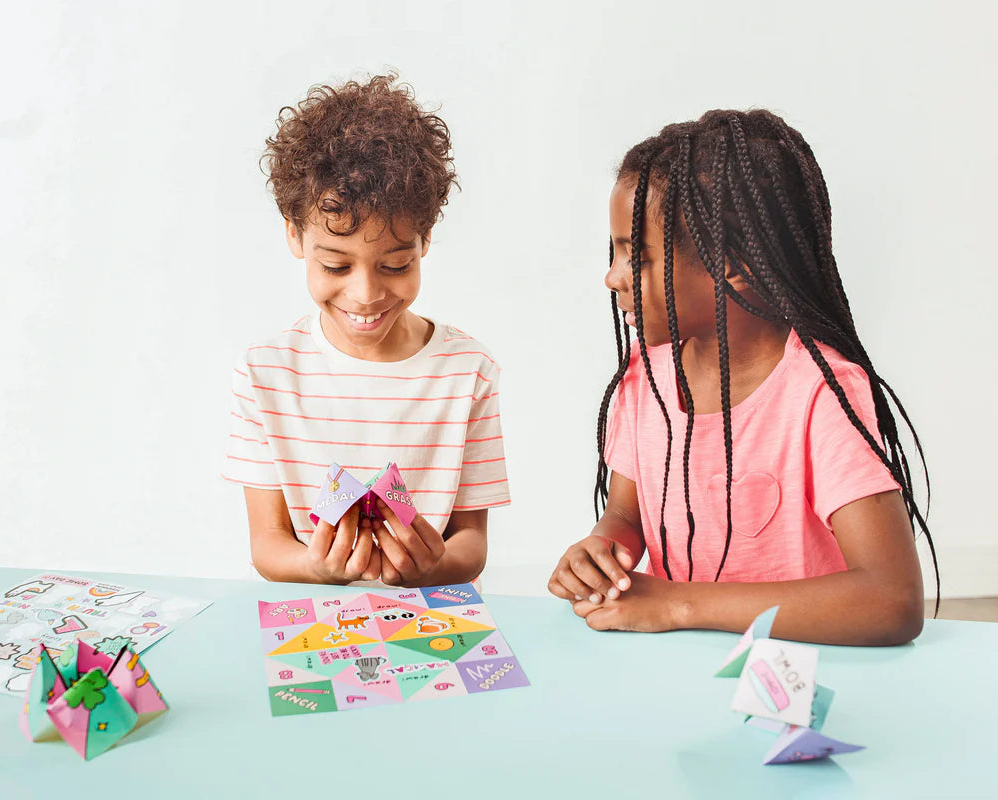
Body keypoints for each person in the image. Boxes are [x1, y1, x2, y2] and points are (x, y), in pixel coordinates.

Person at [548, 110, 935, 645]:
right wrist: (601, 552)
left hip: (797, 682)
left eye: (636, 255)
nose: (612, 276)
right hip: (679, 672)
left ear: (732, 262)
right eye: (613, 250)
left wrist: (679, 604)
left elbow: (892, 602)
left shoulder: (820, 394)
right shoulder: (647, 379)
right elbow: (625, 518)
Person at [224, 74, 509, 587]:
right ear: (294, 233)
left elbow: (472, 543)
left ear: (424, 240)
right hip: (310, 625)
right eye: (335, 266)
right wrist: (316, 567)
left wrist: (433, 563)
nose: (366, 294)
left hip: (432, 629)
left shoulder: (469, 372)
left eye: (396, 265)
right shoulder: (265, 373)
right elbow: (267, 545)